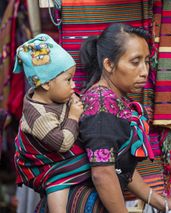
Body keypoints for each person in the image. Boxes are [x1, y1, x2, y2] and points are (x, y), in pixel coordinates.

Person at [79, 23, 171, 212]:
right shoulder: (101, 105)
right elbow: (103, 174)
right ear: (109, 64)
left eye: (146, 61)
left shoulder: (114, 100)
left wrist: (161, 203)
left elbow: (121, 169)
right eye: (135, 61)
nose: (144, 71)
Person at [13, 34, 91, 213]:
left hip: (58, 158)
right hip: (44, 168)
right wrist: (73, 116)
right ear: (47, 84)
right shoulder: (38, 115)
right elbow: (62, 144)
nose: (73, 85)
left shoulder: (57, 96)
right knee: (58, 185)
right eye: (68, 79)